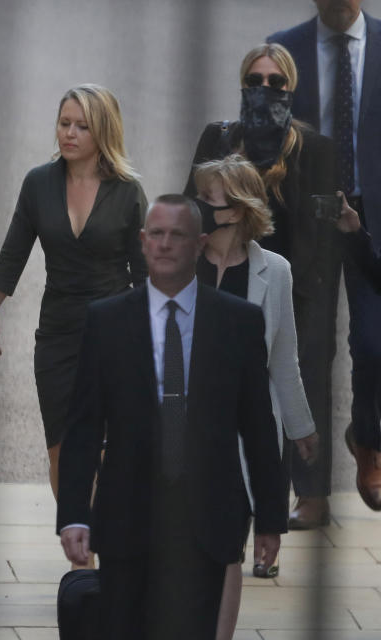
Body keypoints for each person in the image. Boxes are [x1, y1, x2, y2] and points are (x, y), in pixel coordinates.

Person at [56, 195, 287, 640]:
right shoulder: (107, 321)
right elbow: (84, 426)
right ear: (142, 242)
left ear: (200, 244)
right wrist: (74, 515)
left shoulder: (237, 323)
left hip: (209, 521)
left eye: (177, 235)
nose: (164, 244)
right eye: (156, 234)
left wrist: (271, 518)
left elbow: (258, 426)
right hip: (127, 518)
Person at [184, 43, 340, 529]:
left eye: (276, 82)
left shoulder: (314, 149)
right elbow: (191, 209)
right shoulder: (220, 138)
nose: (264, 89)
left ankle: (309, 495)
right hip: (233, 276)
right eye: (255, 80)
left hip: (297, 286)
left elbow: (323, 233)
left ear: (291, 89)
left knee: (301, 385)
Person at [0, 84, 147, 508]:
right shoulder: (39, 183)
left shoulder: (127, 191)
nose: (69, 133)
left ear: (103, 132)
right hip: (57, 335)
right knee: (63, 449)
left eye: (81, 126)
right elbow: (13, 255)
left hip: (115, 333)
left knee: (108, 450)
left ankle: (111, 547)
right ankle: (80, 560)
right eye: (64, 123)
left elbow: (146, 275)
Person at [192, 156, 318, 639]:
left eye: (210, 201)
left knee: (227, 549)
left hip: (241, 439)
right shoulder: (179, 257)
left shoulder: (276, 272)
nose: (199, 208)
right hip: (180, 431)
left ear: (239, 210)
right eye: (199, 198)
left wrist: (301, 429)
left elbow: (283, 360)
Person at [269, 0, 381, 513]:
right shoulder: (286, 49)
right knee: (312, 351)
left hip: (371, 220)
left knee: (375, 343)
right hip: (308, 222)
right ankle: (310, 490)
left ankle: (368, 439)